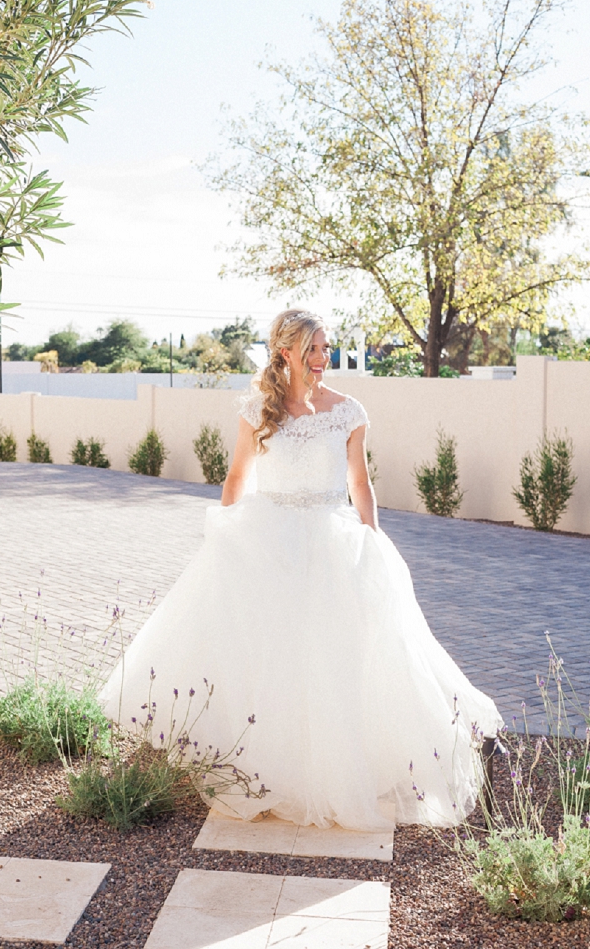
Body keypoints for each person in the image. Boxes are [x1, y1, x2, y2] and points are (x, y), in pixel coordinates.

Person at [100, 309, 502, 831]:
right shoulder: (257, 410)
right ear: (286, 351)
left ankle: (344, 769)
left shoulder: (349, 411)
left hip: (334, 543)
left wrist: (372, 540)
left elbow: (360, 483)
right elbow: (236, 479)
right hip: (270, 543)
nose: (322, 358)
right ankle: (261, 770)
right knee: (270, 657)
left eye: (326, 348)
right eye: (313, 348)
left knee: (335, 657)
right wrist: (221, 538)